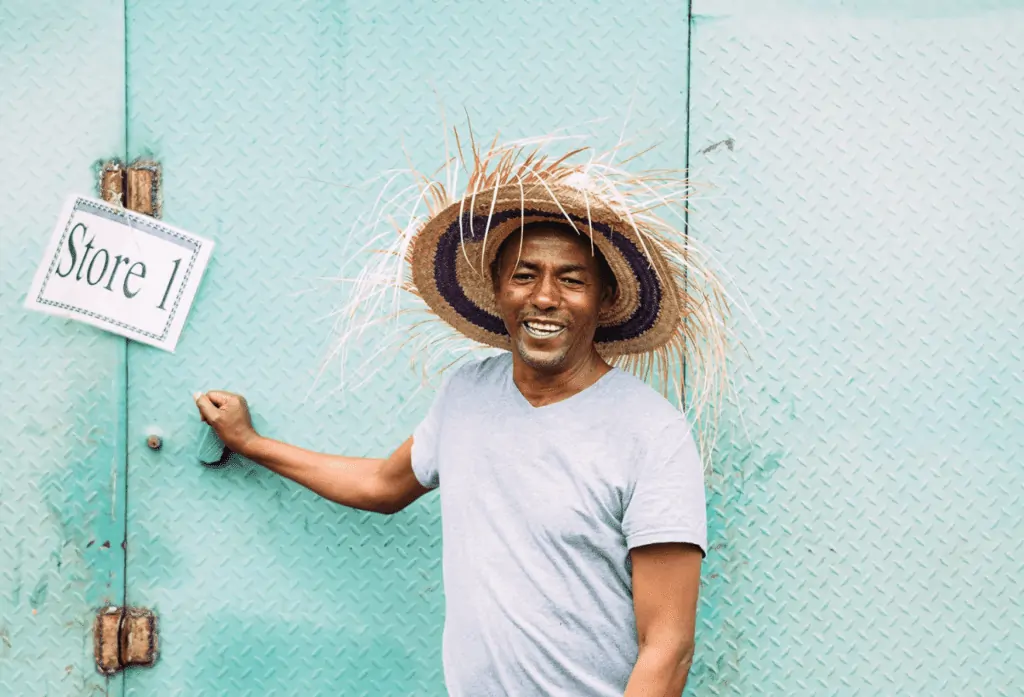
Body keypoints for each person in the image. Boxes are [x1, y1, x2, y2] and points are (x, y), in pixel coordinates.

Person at [195, 135, 727, 696]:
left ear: (603, 300)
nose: (545, 297)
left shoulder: (651, 433)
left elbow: (668, 647)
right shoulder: (467, 395)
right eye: (524, 275)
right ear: (498, 291)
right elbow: (382, 485)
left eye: (572, 279)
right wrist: (251, 443)